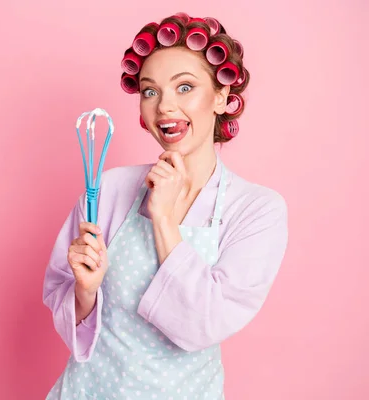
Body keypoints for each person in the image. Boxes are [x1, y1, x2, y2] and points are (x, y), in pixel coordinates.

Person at [42, 12, 288, 400]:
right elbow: (62, 292)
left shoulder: (257, 210)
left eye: (185, 87)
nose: (164, 107)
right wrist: (85, 293)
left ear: (221, 97)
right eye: (150, 91)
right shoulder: (109, 188)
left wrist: (164, 219)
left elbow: (204, 324)